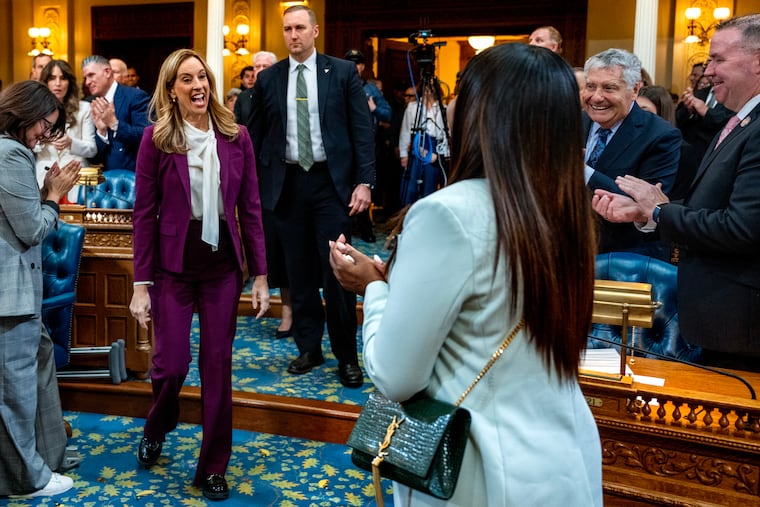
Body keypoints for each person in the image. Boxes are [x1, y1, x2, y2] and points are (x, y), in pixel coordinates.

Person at [329, 42, 602, 506]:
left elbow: (396, 376)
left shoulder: (448, 213)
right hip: (562, 453)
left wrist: (373, 289)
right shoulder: (566, 209)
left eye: (461, 94)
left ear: (482, 113)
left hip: (482, 465)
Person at [129, 48, 270, 500]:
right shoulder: (155, 140)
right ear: (172, 90)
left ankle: (212, 466)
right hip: (172, 267)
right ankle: (157, 425)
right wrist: (140, 284)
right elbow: (143, 214)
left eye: (202, 77)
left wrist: (261, 275)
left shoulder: (236, 137)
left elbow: (250, 208)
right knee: (170, 365)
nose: (198, 86)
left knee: (217, 367)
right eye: (187, 79)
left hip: (221, 267)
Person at [592, 14, 760, 373]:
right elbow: (707, 206)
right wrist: (644, 213)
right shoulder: (739, 122)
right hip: (719, 324)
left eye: (718, 59)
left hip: (742, 329)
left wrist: (659, 212)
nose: (707, 71)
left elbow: (742, 227)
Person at [246, 4, 375, 387]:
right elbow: (255, 136)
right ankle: (308, 348)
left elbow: (362, 130)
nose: (293, 35)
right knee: (298, 271)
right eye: (287, 29)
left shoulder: (342, 72)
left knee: (338, 271)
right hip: (286, 186)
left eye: (300, 27)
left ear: (315, 31)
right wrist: (252, 185)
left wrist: (365, 182)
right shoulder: (269, 79)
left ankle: (346, 357)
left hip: (330, 185)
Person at [0, 80, 81, 498]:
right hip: (9, 294)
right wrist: (53, 195)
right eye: (43, 126)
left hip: (17, 292)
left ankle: (49, 455)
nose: (44, 135)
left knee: (42, 362)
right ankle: (28, 480)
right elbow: (32, 229)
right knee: (14, 391)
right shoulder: (10, 152)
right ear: (24, 114)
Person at [582, 48, 681, 259]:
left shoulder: (660, 135)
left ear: (635, 89)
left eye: (609, 88)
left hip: (622, 259)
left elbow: (645, 207)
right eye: (590, 86)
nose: (596, 97)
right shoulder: (571, 122)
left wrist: (581, 171)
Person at [344, 48, 392, 243]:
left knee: (364, 183)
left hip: (367, 143)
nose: (354, 66)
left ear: (362, 66)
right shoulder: (338, 84)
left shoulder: (371, 89)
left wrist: (374, 108)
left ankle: (365, 228)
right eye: (350, 62)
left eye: (357, 63)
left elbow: (388, 114)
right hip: (343, 144)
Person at [35, 59, 97, 203]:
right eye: (52, 78)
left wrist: (70, 142)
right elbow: (28, 146)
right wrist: (43, 140)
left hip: (75, 176)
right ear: (45, 82)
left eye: (63, 78)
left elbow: (92, 150)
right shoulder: (35, 109)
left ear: (69, 82)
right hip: (43, 175)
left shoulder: (84, 108)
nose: (58, 83)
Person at [81, 54, 150, 171]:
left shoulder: (135, 96)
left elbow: (147, 137)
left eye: (91, 75)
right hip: (105, 178)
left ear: (107, 72)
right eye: (85, 78)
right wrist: (101, 132)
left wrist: (114, 124)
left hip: (135, 176)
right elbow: (94, 159)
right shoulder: (91, 104)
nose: (87, 82)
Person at [398, 78, 449, 205]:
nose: (428, 90)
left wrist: (440, 155)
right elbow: (405, 131)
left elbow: (446, 135)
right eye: (426, 86)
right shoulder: (413, 107)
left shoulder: (442, 108)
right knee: (410, 188)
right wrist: (403, 154)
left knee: (429, 188)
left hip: (434, 147)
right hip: (417, 144)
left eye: (432, 86)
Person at [234, 51, 277, 124]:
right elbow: (237, 124)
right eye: (257, 66)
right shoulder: (243, 96)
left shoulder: (283, 91)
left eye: (265, 66)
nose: (261, 70)